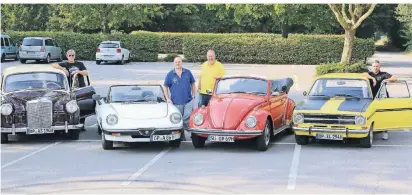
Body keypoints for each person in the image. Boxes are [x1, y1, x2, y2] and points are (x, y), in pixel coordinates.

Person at [363, 60, 397, 140]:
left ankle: (385, 132)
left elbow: (394, 78)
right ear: (372, 67)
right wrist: (373, 79)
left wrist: (385, 80)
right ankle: (372, 129)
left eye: (377, 66)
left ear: (379, 67)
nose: (375, 68)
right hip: (371, 97)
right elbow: (363, 74)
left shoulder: (384, 74)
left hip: (382, 98)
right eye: (374, 66)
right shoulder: (369, 74)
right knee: (371, 114)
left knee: (384, 114)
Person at [163, 56, 196, 141]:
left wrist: (193, 94)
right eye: (176, 62)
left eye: (179, 62)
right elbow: (165, 86)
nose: (177, 63)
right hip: (176, 102)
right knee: (178, 120)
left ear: (182, 62)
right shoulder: (170, 74)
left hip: (188, 101)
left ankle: (193, 133)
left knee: (186, 117)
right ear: (174, 63)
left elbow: (193, 83)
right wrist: (167, 98)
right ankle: (182, 135)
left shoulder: (188, 72)